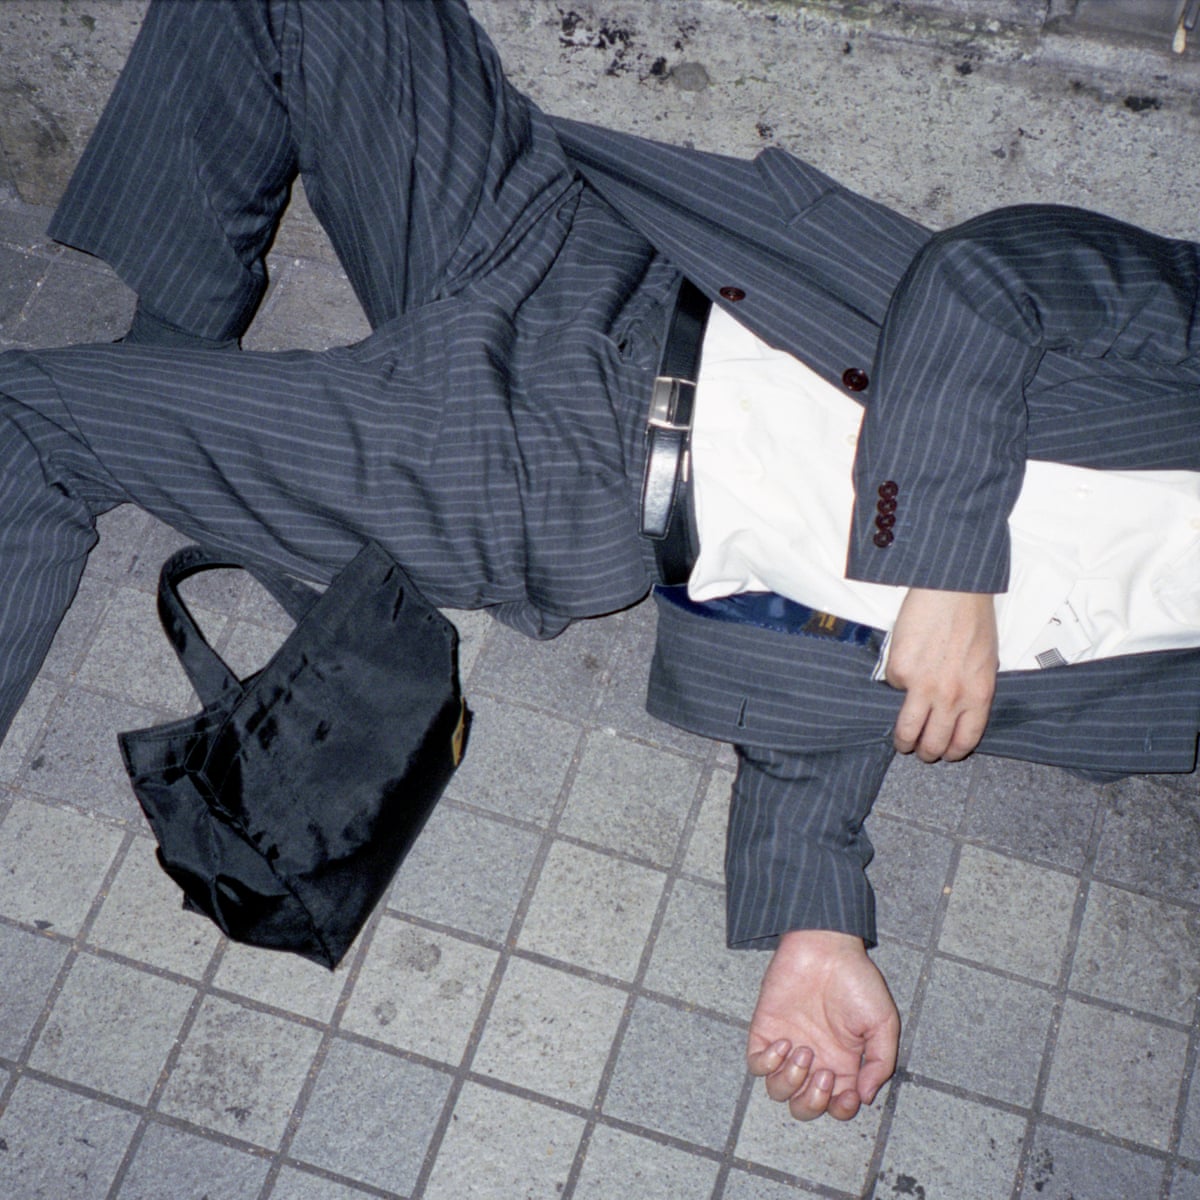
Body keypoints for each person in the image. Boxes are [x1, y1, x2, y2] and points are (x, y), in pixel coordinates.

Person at [2, 0, 1196, 1125]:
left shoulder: (1166, 706)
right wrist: (949, 568)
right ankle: (166, 370)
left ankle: (131, 426)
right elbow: (983, 283)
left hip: (543, 463)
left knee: (30, 423)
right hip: (599, 250)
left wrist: (815, 920)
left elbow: (851, 666)